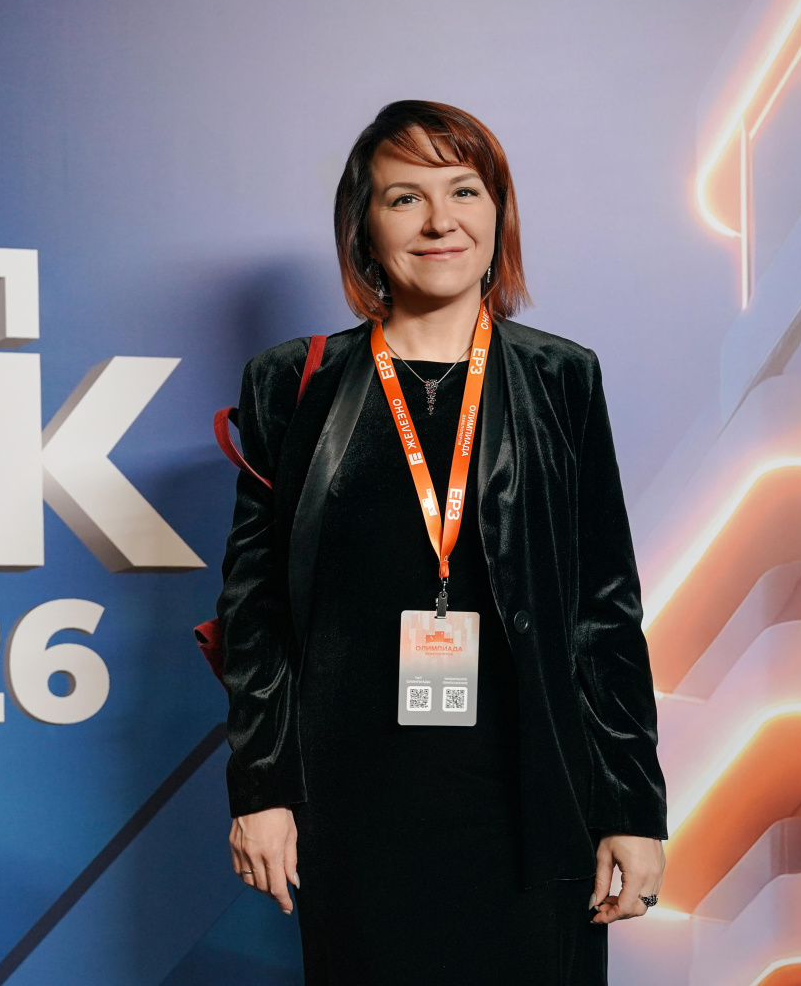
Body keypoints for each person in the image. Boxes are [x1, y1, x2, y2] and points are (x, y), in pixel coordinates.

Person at [216, 100, 667, 984]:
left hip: (536, 803)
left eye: (464, 191)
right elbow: (253, 610)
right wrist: (261, 788)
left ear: (498, 215)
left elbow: (604, 612)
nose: (439, 221)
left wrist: (632, 806)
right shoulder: (294, 384)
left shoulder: (561, 378)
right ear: (364, 228)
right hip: (355, 807)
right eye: (404, 198)